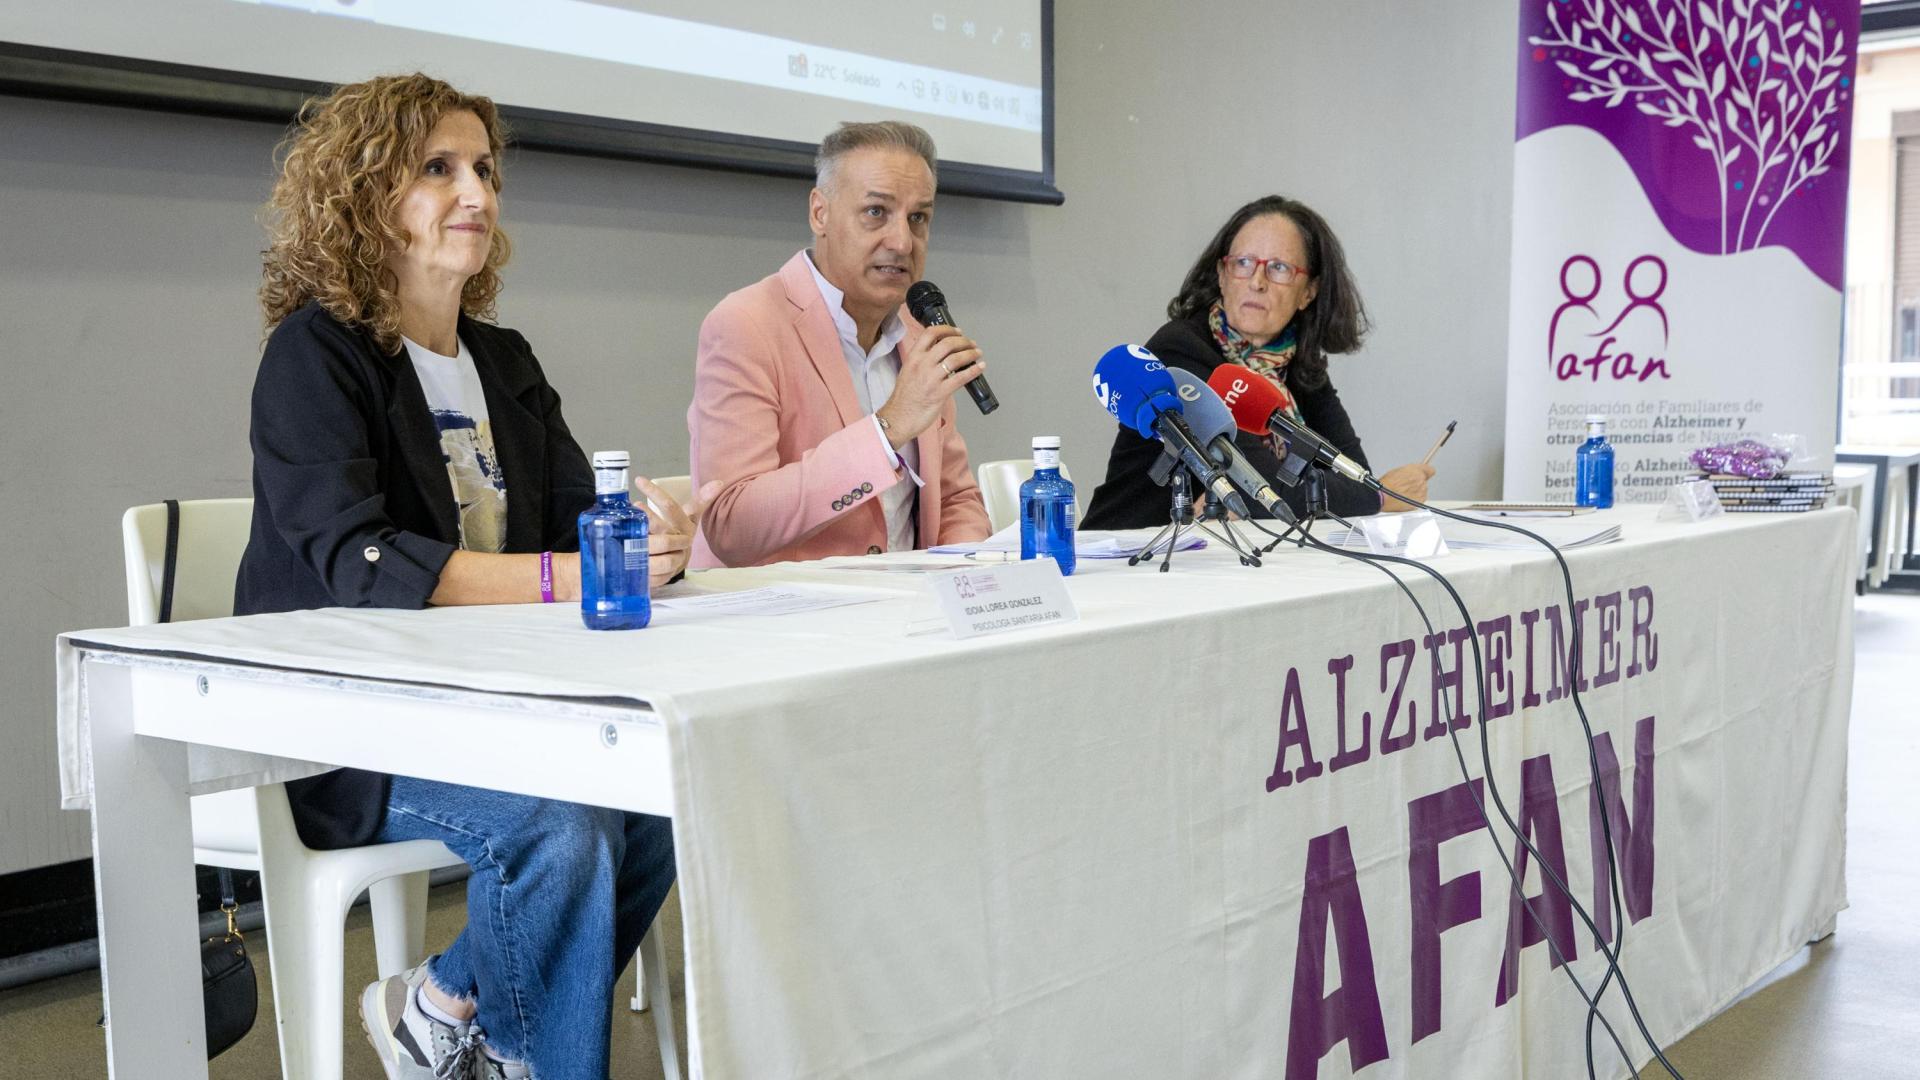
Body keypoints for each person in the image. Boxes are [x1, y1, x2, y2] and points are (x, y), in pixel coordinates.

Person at [236, 74, 701, 1080]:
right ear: (365, 195)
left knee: (662, 798)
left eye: (483, 169)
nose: (476, 195)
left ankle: (450, 1011)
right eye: (437, 169)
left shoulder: (505, 357)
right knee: (562, 824)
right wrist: (562, 578)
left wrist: (645, 528)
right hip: (344, 727)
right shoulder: (315, 354)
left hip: (493, 706)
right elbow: (359, 563)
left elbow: (582, 518)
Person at [688, 120, 992, 567]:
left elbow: (956, 500)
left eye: (918, 218)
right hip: (783, 619)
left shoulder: (919, 333)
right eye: (876, 212)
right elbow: (733, 525)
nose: (903, 241)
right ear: (820, 213)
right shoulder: (745, 325)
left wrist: (966, 574)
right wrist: (887, 430)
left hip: (910, 616)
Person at [1081, 195, 1433, 528]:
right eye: (1243, 264)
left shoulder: (1297, 364)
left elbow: (1350, 472)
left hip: (1223, 562)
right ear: (1221, 275)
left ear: (1308, 291)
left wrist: (1362, 492)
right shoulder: (1181, 351)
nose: (1257, 282)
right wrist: (1381, 498)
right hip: (1131, 558)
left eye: (1278, 268)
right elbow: (1261, 489)